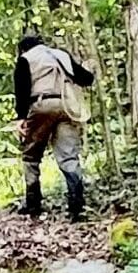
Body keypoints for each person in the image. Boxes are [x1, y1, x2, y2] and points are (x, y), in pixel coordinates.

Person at [13, 32, 93, 219]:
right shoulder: (61, 55)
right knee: (68, 156)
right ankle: (77, 206)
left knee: (31, 155)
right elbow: (86, 79)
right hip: (66, 106)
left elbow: (22, 88)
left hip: (41, 105)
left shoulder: (26, 59)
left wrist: (21, 117)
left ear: (23, 48)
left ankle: (33, 205)